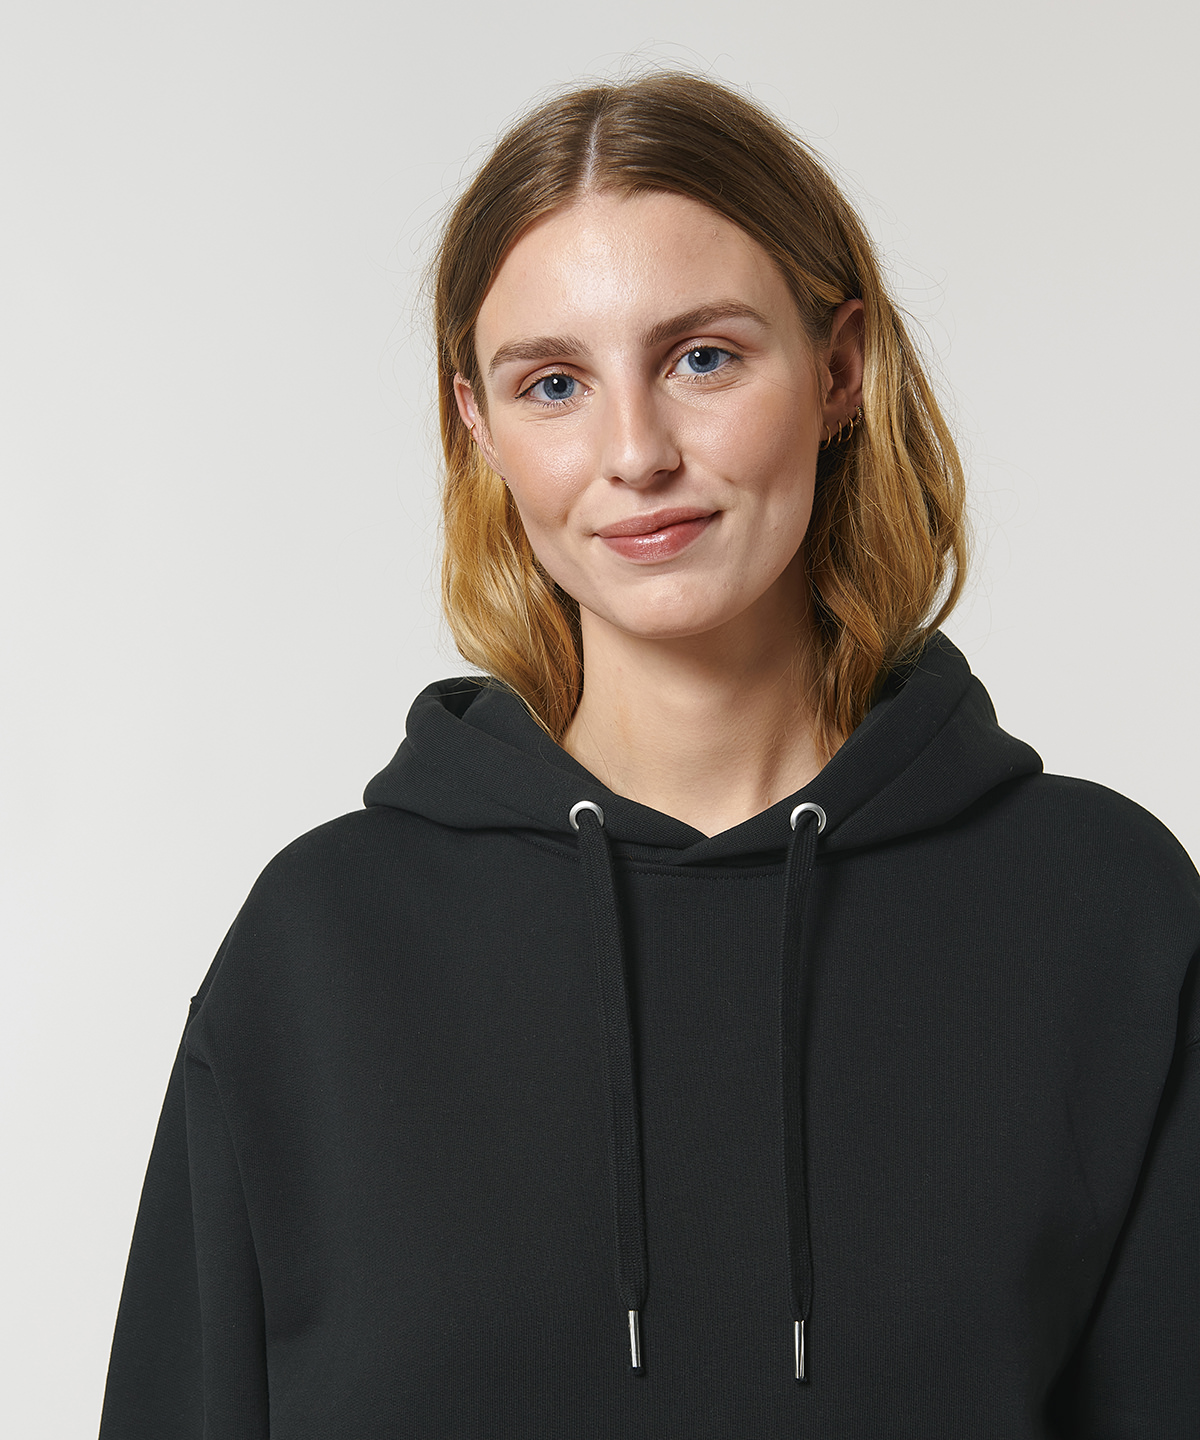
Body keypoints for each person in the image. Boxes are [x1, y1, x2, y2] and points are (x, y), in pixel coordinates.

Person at [98, 72, 1198, 1438]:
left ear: (840, 369)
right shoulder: (321, 950)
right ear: (478, 426)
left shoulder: (1100, 913)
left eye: (702, 359)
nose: (635, 453)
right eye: (554, 384)